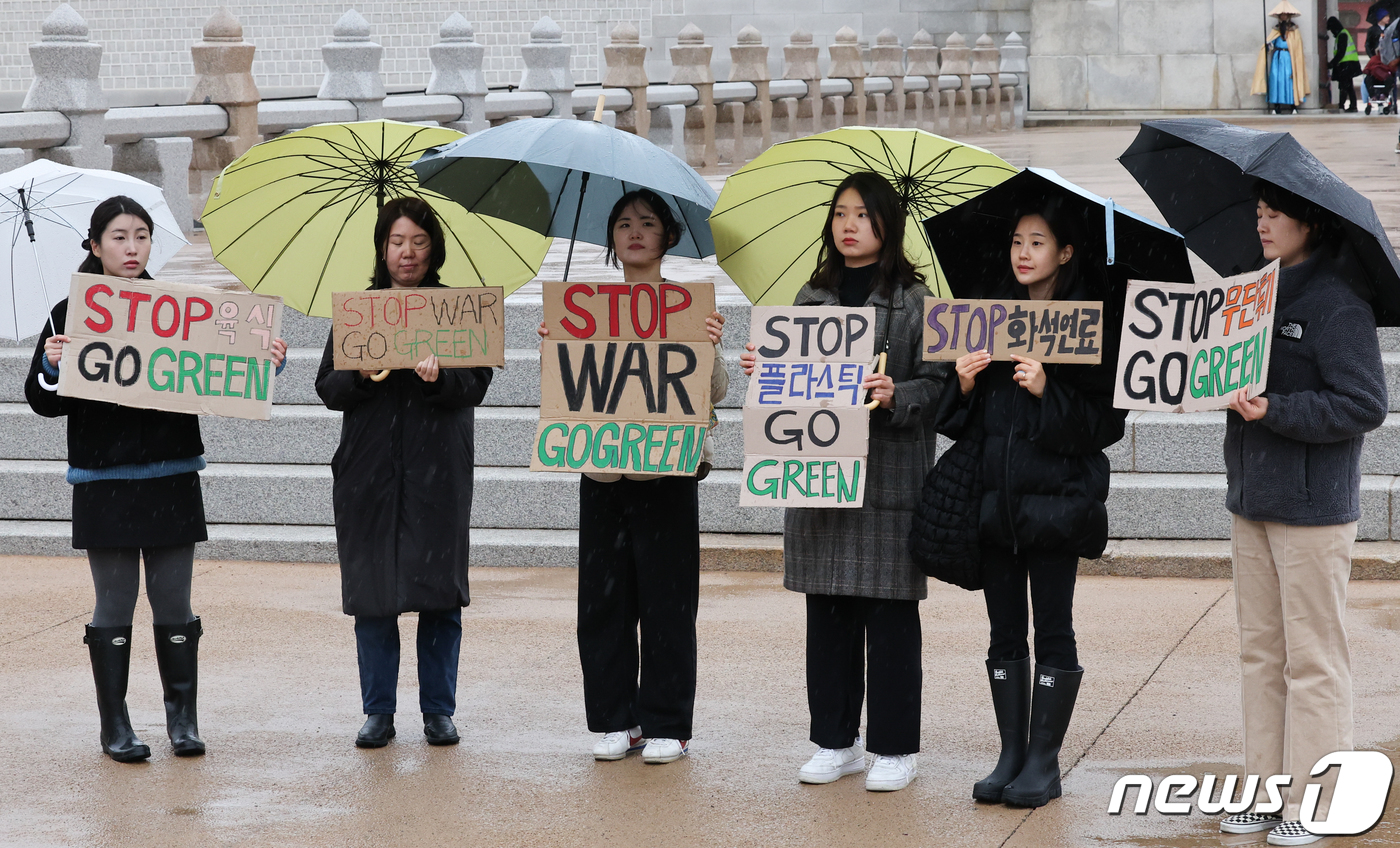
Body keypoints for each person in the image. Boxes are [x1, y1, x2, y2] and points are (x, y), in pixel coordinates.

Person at [25, 195, 287, 762]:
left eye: (140, 236)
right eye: (118, 237)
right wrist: (51, 365)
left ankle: (182, 719)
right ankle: (114, 725)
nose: (131, 247)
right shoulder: (68, 311)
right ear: (94, 245)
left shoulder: (176, 306)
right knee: (114, 605)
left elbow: (224, 367)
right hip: (102, 479)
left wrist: (263, 355)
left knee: (174, 601)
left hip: (170, 474)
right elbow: (42, 403)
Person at [740, 172, 947, 793]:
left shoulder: (917, 303)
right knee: (827, 618)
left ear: (888, 223)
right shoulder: (811, 296)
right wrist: (763, 368)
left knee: (890, 622)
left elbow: (942, 388)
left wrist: (895, 393)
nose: (848, 224)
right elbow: (786, 391)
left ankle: (894, 748)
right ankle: (834, 741)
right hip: (820, 482)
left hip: (888, 480)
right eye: (839, 214)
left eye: (862, 213)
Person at [937, 205, 1126, 808]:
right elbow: (955, 422)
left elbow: (1104, 425)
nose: (1023, 252)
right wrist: (963, 383)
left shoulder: (1091, 324)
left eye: (1038, 242)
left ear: (1065, 252)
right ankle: (1011, 753)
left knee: (1055, 629)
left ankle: (1044, 758)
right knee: (1002, 631)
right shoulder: (987, 315)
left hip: (1057, 506)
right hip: (993, 504)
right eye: (1016, 240)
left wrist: (1049, 391)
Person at [1215, 182, 1386, 847]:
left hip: (1313, 510)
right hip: (1252, 498)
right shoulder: (1249, 294)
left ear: (1309, 223)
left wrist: (1275, 410)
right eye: (1257, 212)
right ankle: (1266, 793)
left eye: (1275, 214)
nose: (1262, 224)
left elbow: (1363, 405)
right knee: (1261, 653)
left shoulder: (1338, 303)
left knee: (1313, 659)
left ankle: (1317, 802)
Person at [538, 188, 727, 765]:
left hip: (667, 470)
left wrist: (711, 347)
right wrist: (557, 345)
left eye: (648, 223)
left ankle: (668, 721)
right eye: (623, 223)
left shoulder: (688, 304)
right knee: (601, 601)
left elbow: (712, 393)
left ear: (669, 237)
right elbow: (570, 392)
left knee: (668, 601)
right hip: (603, 470)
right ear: (612, 239)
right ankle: (615, 718)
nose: (635, 231)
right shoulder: (587, 306)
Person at [316, 197, 493, 749]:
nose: (407, 253)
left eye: (417, 242)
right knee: (372, 597)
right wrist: (363, 376)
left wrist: (438, 378)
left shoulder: (455, 309)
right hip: (367, 475)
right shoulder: (359, 311)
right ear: (381, 248)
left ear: (433, 247)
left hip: (437, 473)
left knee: (439, 596)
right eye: (396, 242)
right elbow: (327, 388)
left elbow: (477, 385)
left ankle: (439, 712)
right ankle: (378, 712)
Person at [1253, 3, 1310, 114]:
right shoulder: (1276, 30)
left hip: (1289, 57)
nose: (1283, 16)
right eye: (1281, 15)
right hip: (1277, 58)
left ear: (1288, 16)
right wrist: (1268, 46)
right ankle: (1276, 106)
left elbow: (1297, 47)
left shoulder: (1294, 30)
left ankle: (1293, 106)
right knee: (1276, 80)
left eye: (1285, 14)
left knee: (1290, 80)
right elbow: (1271, 42)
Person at [1328, 16, 1362, 112]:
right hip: (1349, 64)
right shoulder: (1343, 34)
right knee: (1348, 86)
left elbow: (1341, 53)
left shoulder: (1342, 35)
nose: (1331, 32)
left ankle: (1342, 106)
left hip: (1346, 65)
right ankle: (1352, 106)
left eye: (1331, 30)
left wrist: (1332, 64)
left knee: (1344, 86)